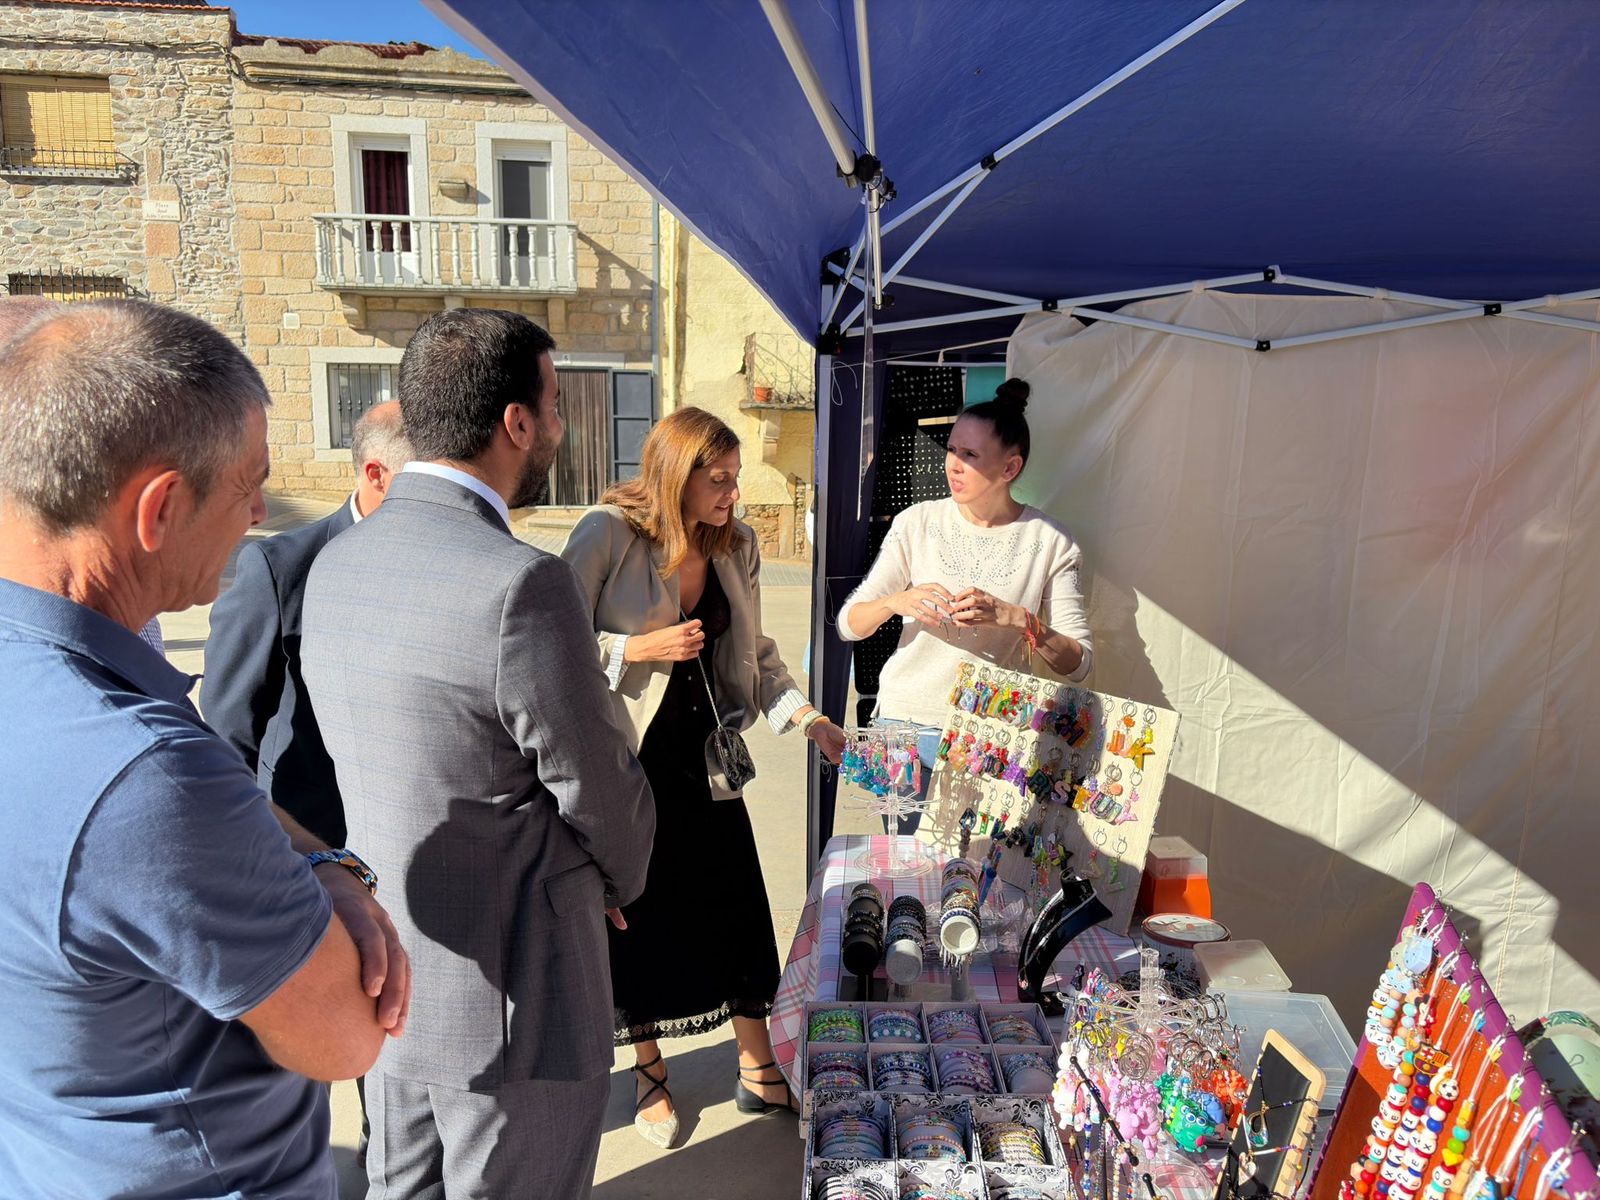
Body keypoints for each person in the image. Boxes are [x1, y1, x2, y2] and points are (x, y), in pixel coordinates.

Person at [0, 300, 406, 1197]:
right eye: (247, 483)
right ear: (160, 506)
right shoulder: (143, 779)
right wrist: (330, 877)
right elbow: (344, 1033)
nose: (261, 509)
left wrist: (324, 860)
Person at [301, 307, 655, 1199]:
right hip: (518, 995)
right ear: (516, 423)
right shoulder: (521, 583)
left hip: (391, 976)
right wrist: (614, 878)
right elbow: (597, 784)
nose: (562, 431)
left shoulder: (334, 561)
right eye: (557, 407)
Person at [561, 405, 846, 1150]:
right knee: (640, 921)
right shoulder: (607, 534)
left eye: (736, 478)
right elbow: (543, 639)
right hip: (627, 764)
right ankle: (650, 1073)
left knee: (740, 910)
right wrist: (636, 648)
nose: (732, 493)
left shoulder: (737, 543)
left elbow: (758, 653)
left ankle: (758, 1070)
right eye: (717, 480)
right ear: (675, 475)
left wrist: (809, 719)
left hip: (708, 763)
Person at [837, 378, 1094, 822]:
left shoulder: (1051, 541)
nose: (952, 464)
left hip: (992, 736)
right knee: (911, 879)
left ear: (1010, 469)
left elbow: (1080, 663)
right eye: (952, 449)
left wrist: (1015, 618)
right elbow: (848, 622)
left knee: (980, 881)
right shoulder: (916, 523)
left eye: (970, 456)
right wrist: (898, 601)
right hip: (903, 728)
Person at [203, 400, 413, 847]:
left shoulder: (441, 559)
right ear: (377, 475)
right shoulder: (280, 568)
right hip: (311, 835)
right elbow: (229, 728)